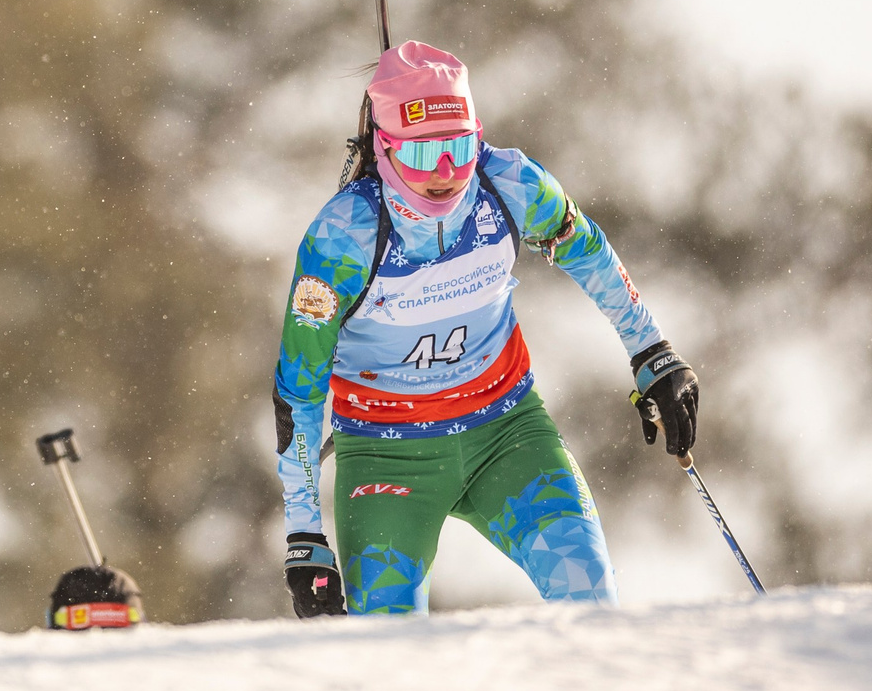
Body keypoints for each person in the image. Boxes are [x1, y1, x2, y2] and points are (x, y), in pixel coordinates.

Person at [273, 41, 699, 616]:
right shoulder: (341, 239)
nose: (445, 174)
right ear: (383, 147)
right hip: (386, 459)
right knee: (386, 648)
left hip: (508, 435)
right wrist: (304, 534)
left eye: (458, 148)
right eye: (423, 154)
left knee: (592, 600)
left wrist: (651, 350)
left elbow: (588, 251)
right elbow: (298, 393)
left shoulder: (509, 183)